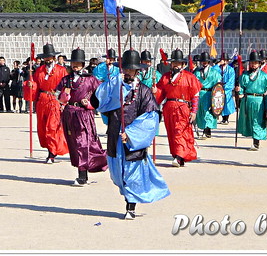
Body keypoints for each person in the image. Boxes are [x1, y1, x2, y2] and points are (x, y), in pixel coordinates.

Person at [96, 49, 170, 219]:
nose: (127, 72)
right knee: (117, 174)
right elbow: (101, 104)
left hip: (132, 140)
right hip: (115, 136)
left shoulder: (144, 91)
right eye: (125, 69)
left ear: (137, 71)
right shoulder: (115, 88)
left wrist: (130, 134)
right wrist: (110, 87)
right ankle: (128, 198)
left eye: (131, 69)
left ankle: (131, 207)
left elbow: (151, 117)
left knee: (132, 173)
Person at [56, 48, 107, 186]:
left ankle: (83, 175)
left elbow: (101, 95)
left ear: (83, 65)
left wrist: (90, 104)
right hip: (69, 113)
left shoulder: (90, 79)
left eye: (78, 63)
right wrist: (63, 97)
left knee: (83, 143)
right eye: (73, 63)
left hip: (84, 114)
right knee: (73, 143)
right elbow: (58, 96)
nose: (75, 66)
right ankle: (81, 171)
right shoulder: (66, 80)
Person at [154, 49, 202, 167]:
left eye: (178, 63)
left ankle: (179, 156)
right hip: (169, 108)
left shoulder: (189, 77)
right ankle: (177, 155)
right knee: (171, 132)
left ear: (183, 65)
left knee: (179, 131)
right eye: (174, 63)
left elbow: (195, 95)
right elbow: (160, 93)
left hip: (183, 107)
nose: (175, 65)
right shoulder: (166, 77)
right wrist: (155, 91)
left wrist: (194, 111)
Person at [31, 43, 69, 163]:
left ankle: (52, 153)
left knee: (52, 127)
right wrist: (30, 85)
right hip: (42, 100)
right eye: (45, 58)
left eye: (50, 57)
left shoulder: (61, 70)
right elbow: (35, 86)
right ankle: (49, 149)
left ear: (54, 58)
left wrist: (64, 102)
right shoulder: (39, 70)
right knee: (42, 127)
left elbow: (66, 87)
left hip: (55, 99)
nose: (47, 60)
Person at [237, 51, 267, 151]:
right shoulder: (244, 75)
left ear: (259, 63)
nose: (253, 65)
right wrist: (239, 91)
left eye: (255, 63)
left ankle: (256, 142)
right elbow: (241, 86)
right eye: (252, 63)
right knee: (248, 120)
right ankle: (252, 137)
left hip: (259, 100)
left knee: (257, 120)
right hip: (247, 99)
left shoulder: (264, 75)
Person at [194, 51, 222, 139]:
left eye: (206, 61)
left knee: (208, 112)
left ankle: (207, 129)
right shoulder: (197, 72)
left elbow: (218, 85)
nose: (204, 63)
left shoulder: (214, 72)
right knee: (201, 112)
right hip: (200, 94)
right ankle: (204, 128)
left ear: (209, 62)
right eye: (203, 61)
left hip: (210, 94)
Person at [212, 52, 236, 125]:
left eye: (226, 60)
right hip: (218, 88)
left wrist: (225, 88)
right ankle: (221, 117)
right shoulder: (218, 68)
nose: (224, 62)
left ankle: (226, 118)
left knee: (227, 103)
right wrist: (218, 64)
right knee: (218, 102)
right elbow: (212, 71)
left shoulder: (230, 69)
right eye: (223, 60)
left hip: (226, 88)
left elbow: (231, 80)